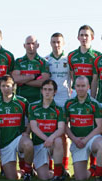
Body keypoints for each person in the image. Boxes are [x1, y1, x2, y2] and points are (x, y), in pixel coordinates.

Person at [65, 76, 102, 181]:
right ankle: (93, 170)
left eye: (83, 86)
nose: (80, 88)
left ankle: (98, 175)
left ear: (88, 87)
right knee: (80, 178)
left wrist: (85, 140)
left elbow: (100, 127)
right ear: (74, 87)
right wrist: (75, 140)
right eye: (78, 86)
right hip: (77, 140)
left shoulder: (94, 104)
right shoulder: (69, 104)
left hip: (91, 139)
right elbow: (65, 126)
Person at [0, 75, 34, 180]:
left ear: (14, 86)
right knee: (11, 178)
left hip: (19, 138)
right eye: (3, 86)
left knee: (28, 144)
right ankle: (22, 172)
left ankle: (28, 171)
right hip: (5, 142)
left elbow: (32, 120)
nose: (6, 89)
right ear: (0, 87)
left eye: (8, 86)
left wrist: (27, 133)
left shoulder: (22, 101)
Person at [28, 79, 67, 181]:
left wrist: (51, 139)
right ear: (41, 91)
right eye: (45, 89)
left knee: (58, 140)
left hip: (52, 142)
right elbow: (34, 128)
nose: (47, 92)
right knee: (43, 177)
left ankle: (58, 174)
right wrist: (47, 139)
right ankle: (57, 171)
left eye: (50, 89)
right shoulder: (33, 107)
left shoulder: (59, 108)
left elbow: (61, 128)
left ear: (55, 92)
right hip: (39, 143)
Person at [45, 32, 71, 173]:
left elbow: (72, 78)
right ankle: (49, 165)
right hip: (50, 100)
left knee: (64, 134)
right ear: (50, 43)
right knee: (49, 130)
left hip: (64, 100)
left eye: (59, 42)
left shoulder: (68, 60)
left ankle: (64, 166)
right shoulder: (46, 60)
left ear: (63, 43)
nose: (56, 44)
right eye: (54, 42)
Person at [12, 35, 50, 103]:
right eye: (28, 43)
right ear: (24, 45)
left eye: (33, 43)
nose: (30, 46)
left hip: (38, 101)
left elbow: (44, 82)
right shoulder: (18, 61)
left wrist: (23, 81)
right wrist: (33, 77)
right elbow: (15, 79)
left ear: (37, 45)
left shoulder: (43, 62)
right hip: (21, 100)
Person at [68, 25, 101, 96]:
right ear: (78, 37)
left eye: (86, 35)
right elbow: (72, 75)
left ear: (92, 38)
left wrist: (93, 94)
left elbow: (96, 78)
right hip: (75, 91)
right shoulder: (71, 55)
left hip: (91, 91)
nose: (84, 38)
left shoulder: (98, 56)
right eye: (81, 35)